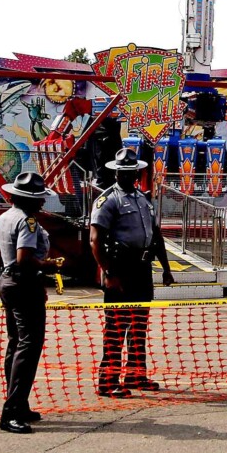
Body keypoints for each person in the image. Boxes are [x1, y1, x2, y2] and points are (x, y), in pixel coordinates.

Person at [90, 147, 174, 397]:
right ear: (116, 173)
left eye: (131, 171)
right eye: (122, 172)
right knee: (116, 327)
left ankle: (136, 376)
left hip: (142, 268)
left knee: (139, 325)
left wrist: (166, 269)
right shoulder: (108, 200)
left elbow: (155, 236)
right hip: (120, 268)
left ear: (137, 172)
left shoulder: (143, 199)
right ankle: (108, 380)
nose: (127, 176)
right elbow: (95, 239)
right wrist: (108, 272)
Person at [0, 171, 62, 434]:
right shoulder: (28, 221)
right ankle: (11, 411)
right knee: (29, 347)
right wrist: (47, 266)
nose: (43, 202)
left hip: (8, 281)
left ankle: (18, 403)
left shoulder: (4, 217)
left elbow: (0, 253)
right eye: (39, 198)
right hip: (23, 282)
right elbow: (24, 258)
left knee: (16, 343)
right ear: (28, 200)